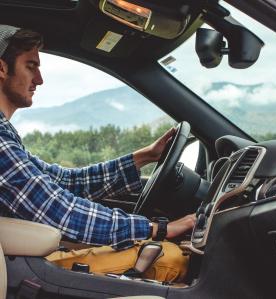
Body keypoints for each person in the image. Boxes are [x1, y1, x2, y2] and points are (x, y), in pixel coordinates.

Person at [0, 25, 196, 282]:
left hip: (19, 261)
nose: (39, 80)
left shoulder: (5, 135)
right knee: (170, 259)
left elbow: (63, 182)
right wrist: (160, 229)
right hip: (15, 268)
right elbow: (59, 210)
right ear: (2, 68)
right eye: (31, 66)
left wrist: (144, 156)